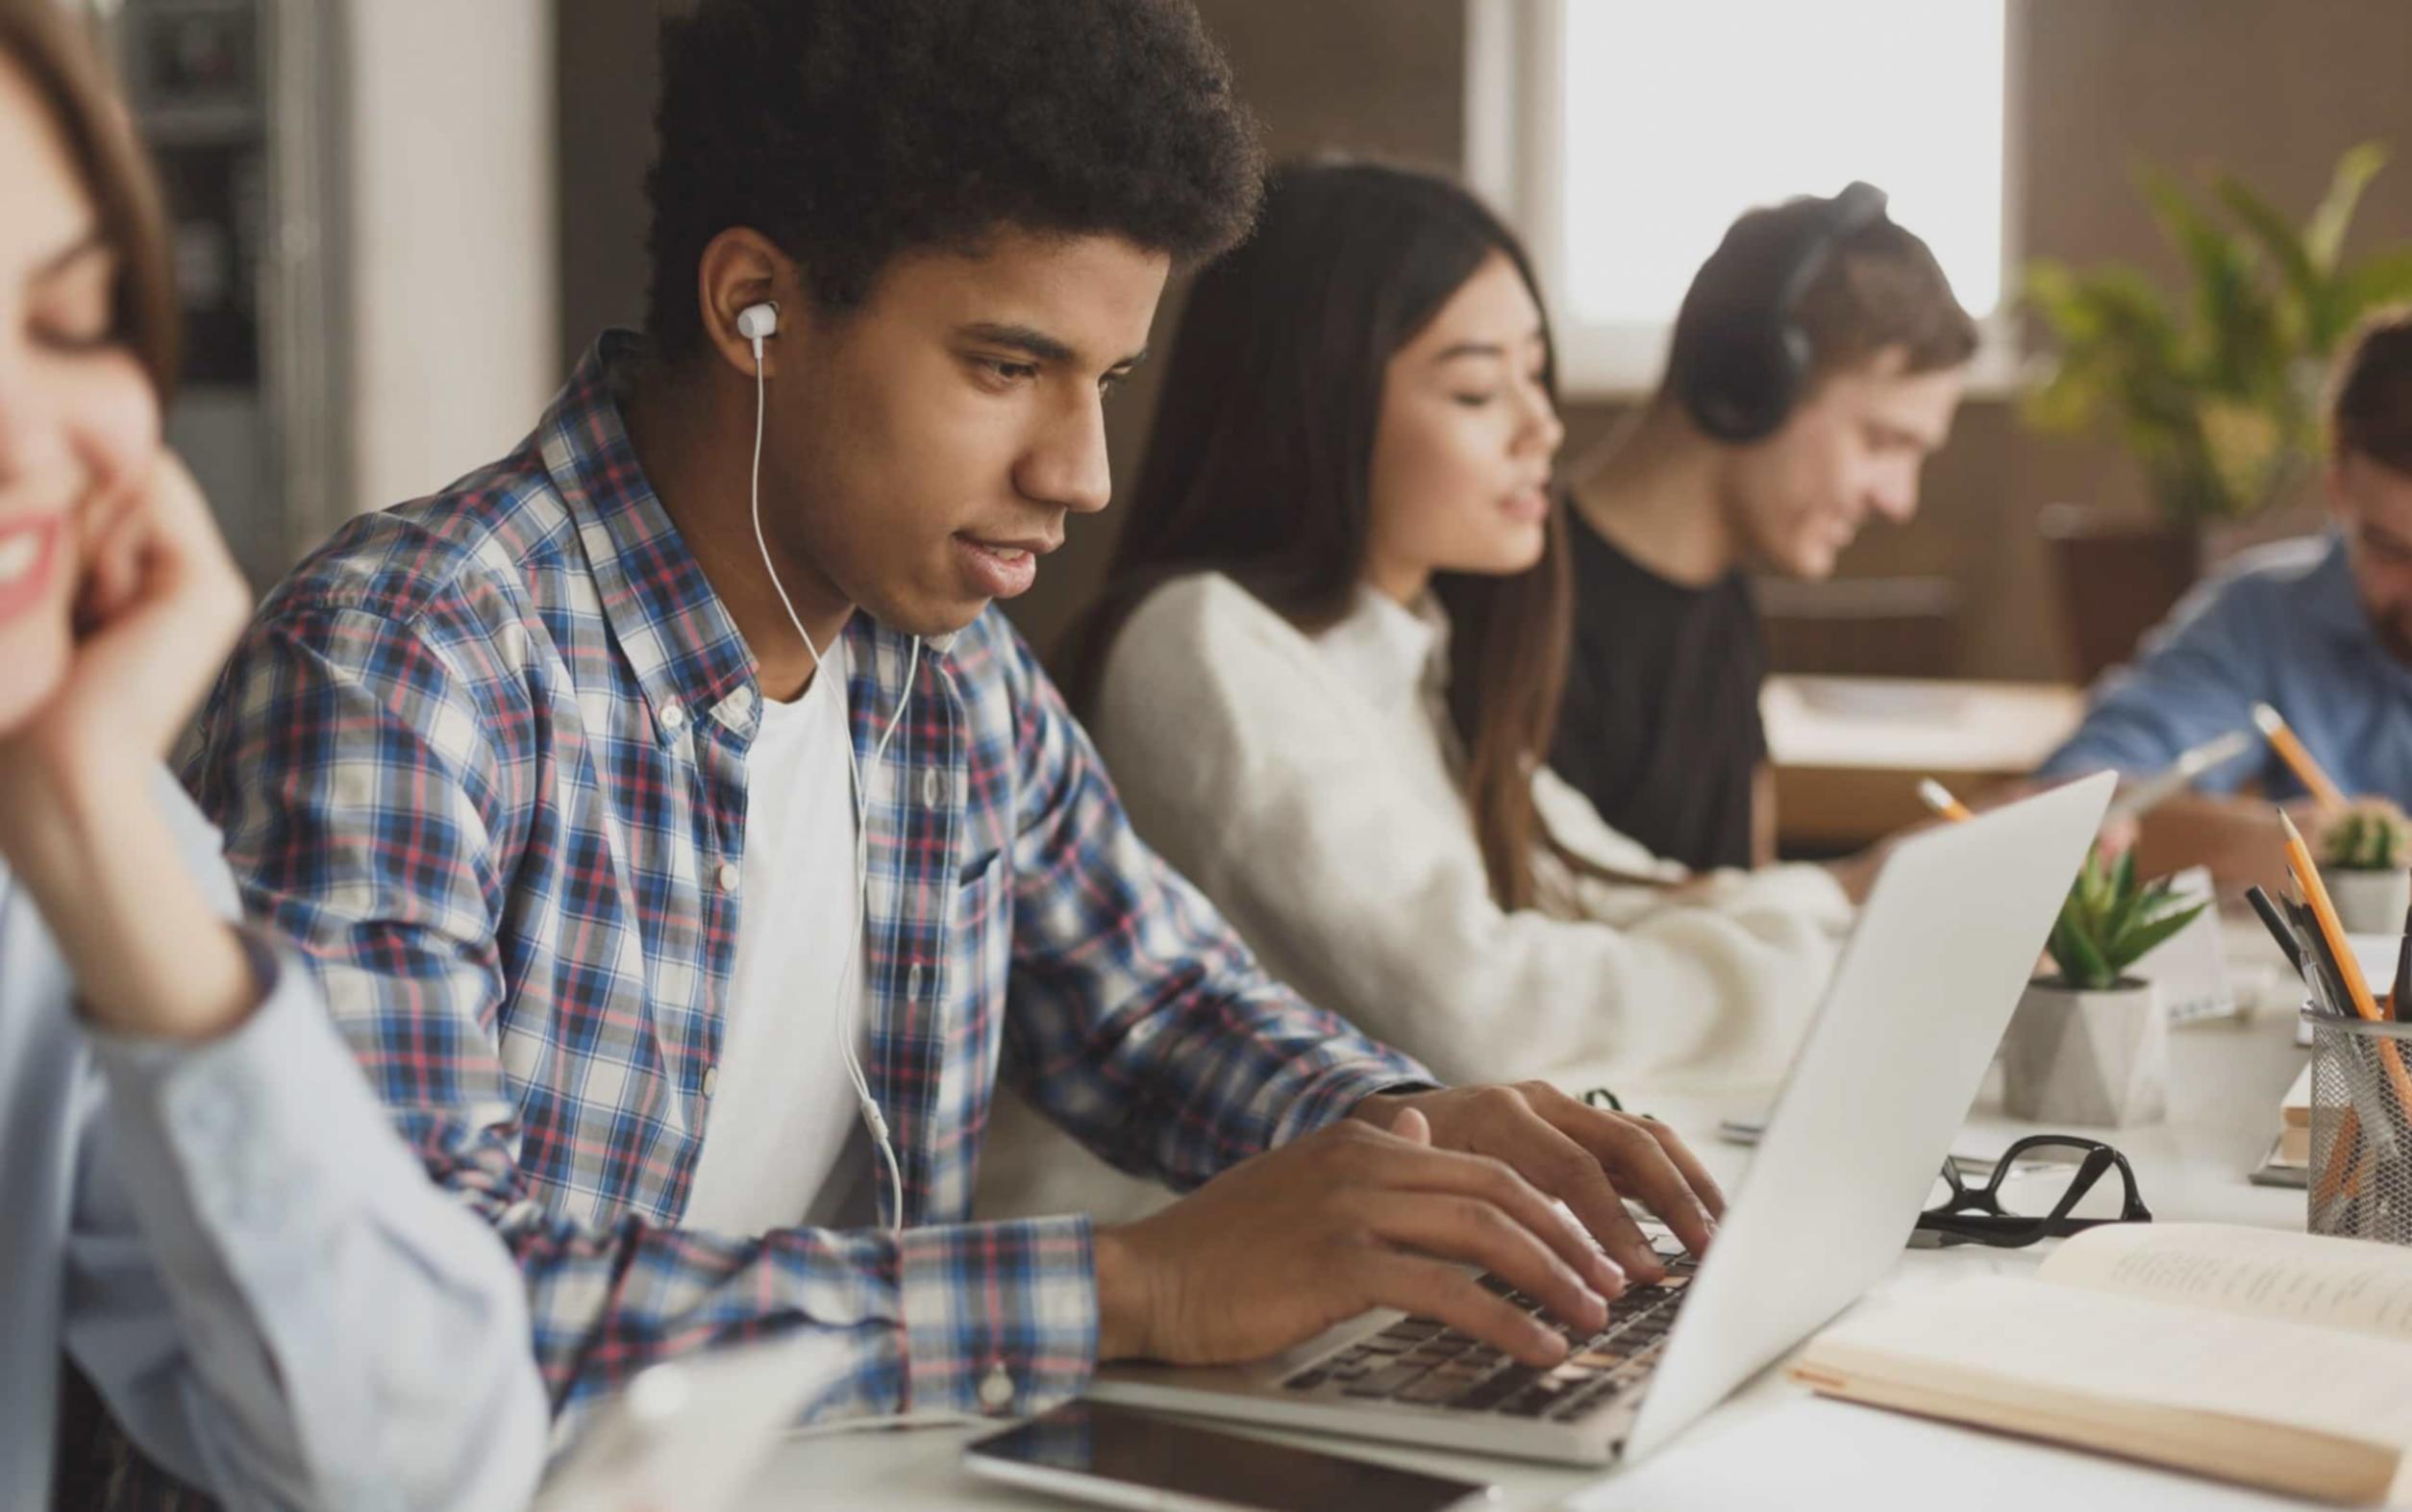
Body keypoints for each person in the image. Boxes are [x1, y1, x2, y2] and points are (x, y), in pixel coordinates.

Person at [182, 0, 1727, 1435]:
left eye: (1107, 379)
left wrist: (1418, 1147)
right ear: (755, 308)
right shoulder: (407, 669)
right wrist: (1140, 1287)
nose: (1083, 472)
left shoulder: (945, 669)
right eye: (1009, 365)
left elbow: (1154, 1007)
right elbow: (398, 1328)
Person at [0, 4, 544, 1507]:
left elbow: (421, 1471)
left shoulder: (62, 856)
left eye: (67, 318)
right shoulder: (419, 634)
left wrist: (98, 831)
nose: (27, 435)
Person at [1053, 158, 1859, 1094]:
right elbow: (1486, 1017)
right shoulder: (1203, 646)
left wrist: (1841, 899)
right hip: (1162, 1230)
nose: (1541, 429)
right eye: (1478, 392)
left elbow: (1613, 888)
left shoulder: (1405, 648)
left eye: (1536, 375)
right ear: (1320, 407)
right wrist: (1829, 962)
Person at [1553, 186, 1977, 872]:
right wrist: (1862, 887)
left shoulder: (1722, 596)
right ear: (1750, 384)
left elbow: (1745, 900)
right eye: (1880, 441)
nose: (1898, 501)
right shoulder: (1523, 612)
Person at [2037, 309, 2412, 881]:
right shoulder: (2262, 618)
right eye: (2391, 550)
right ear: (2337, 488)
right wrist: (2293, 843)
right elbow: (2079, 793)